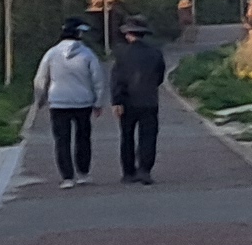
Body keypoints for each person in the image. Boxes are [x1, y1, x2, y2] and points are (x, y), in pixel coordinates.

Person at [31, 15, 105, 186]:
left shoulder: (52, 53)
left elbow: (40, 78)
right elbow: (98, 80)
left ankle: (67, 177)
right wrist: (98, 102)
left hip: (58, 102)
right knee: (83, 138)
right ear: (78, 33)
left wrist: (39, 99)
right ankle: (83, 173)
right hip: (83, 102)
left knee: (61, 140)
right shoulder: (88, 54)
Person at [107, 18, 169, 181]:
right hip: (149, 100)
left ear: (128, 34)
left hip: (127, 100)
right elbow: (160, 76)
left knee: (127, 136)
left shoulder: (122, 54)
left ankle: (128, 172)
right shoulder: (155, 52)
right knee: (148, 136)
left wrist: (116, 101)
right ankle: (145, 169)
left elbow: (117, 79)